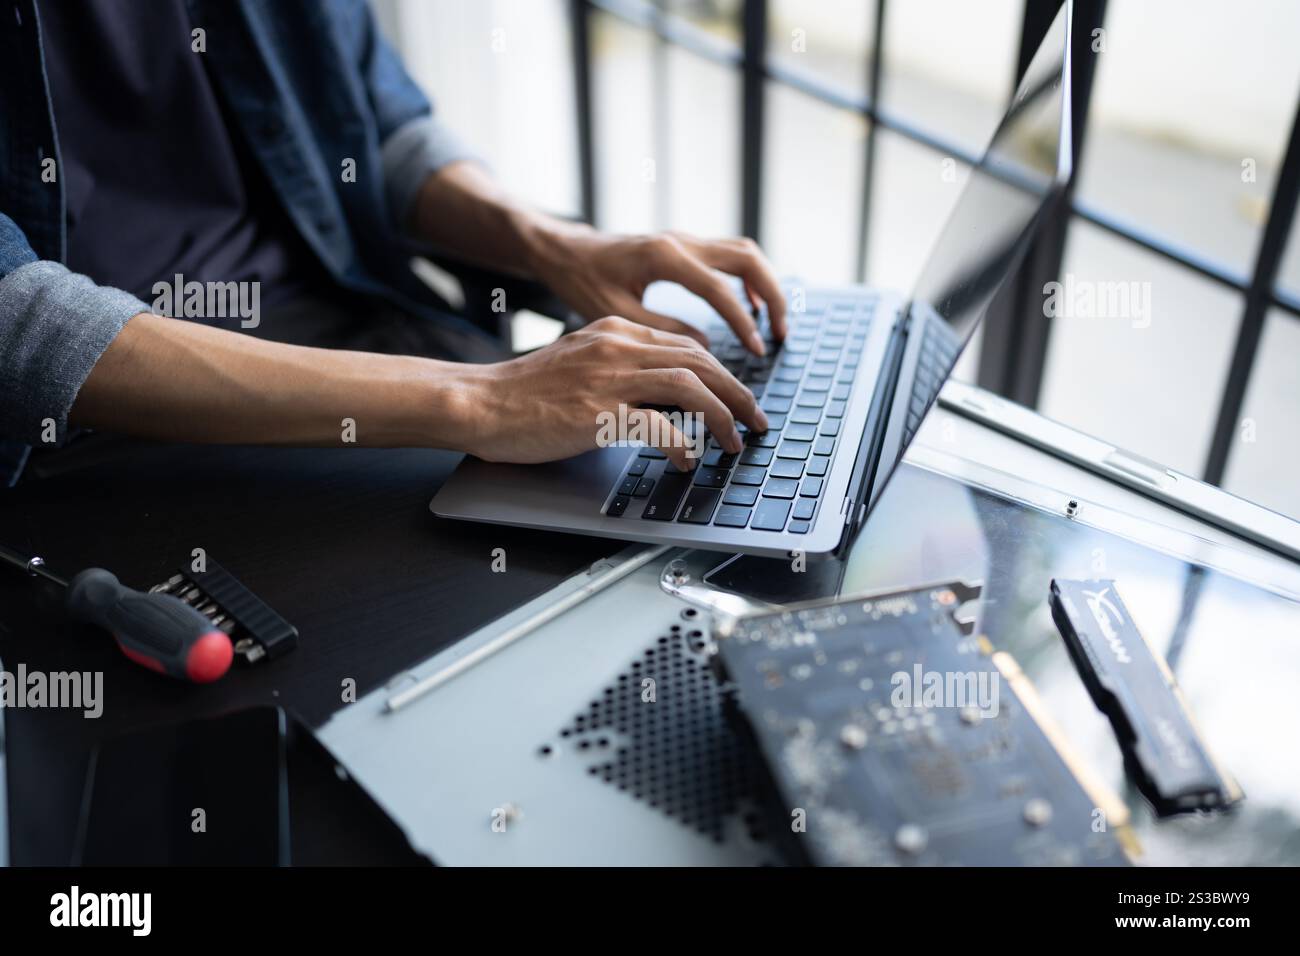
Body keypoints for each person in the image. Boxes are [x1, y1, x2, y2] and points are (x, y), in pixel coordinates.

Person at [0, 0, 783, 485]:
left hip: (371, 335)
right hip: (100, 448)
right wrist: (479, 400)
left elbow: (374, 129)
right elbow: (22, 329)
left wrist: (558, 246)